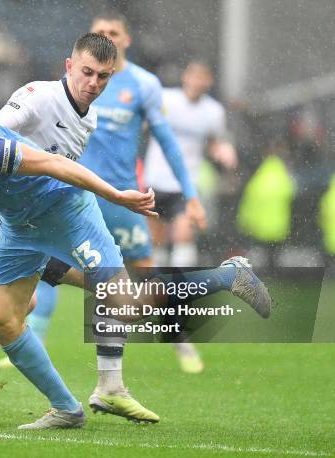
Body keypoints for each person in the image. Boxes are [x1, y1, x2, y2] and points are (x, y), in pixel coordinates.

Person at [0, 89, 271, 428]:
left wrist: (114, 195)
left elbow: (54, 163)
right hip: (19, 226)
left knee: (126, 306)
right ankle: (66, 409)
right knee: (4, 319)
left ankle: (228, 276)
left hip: (66, 211)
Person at [0, 33, 159, 423]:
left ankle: (109, 387)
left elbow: (59, 172)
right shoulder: (36, 96)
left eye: (103, 77)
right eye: (87, 72)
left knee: (111, 294)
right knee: (19, 309)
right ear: (68, 66)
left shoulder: (92, 117)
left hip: (41, 220)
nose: (93, 83)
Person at [22, 13, 209, 378]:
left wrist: (191, 194)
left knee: (141, 275)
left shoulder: (143, 84)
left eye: (114, 32)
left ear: (126, 39)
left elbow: (166, 140)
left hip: (121, 198)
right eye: (100, 32)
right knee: (48, 266)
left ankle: (178, 335)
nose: (107, 36)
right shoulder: (74, 83)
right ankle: (39, 344)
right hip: (75, 196)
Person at [143, 61, 238, 372]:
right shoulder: (166, 99)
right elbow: (143, 125)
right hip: (156, 182)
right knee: (155, 245)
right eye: (193, 77)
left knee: (183, 238)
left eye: (203, 78)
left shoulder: (213, 111)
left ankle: (178, 302)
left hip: (186, 185)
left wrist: (222, 150)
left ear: (208, 81)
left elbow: (214, 140)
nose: (197, 82)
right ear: (185, 77)